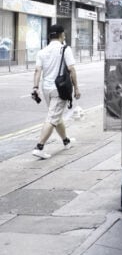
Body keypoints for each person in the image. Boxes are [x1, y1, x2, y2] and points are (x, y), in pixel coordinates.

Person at [31, 24, 81, 159]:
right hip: (59, 89)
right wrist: (76, 87)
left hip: (46, 89)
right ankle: (39, 147)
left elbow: (37, 71)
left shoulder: (42, 52)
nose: (64, 36)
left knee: (56, 116)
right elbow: (71, 69)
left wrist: (35, 88)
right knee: (52, 118)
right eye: (63, 34)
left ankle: (66, 141)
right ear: (61, 35)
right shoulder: (65, 49)